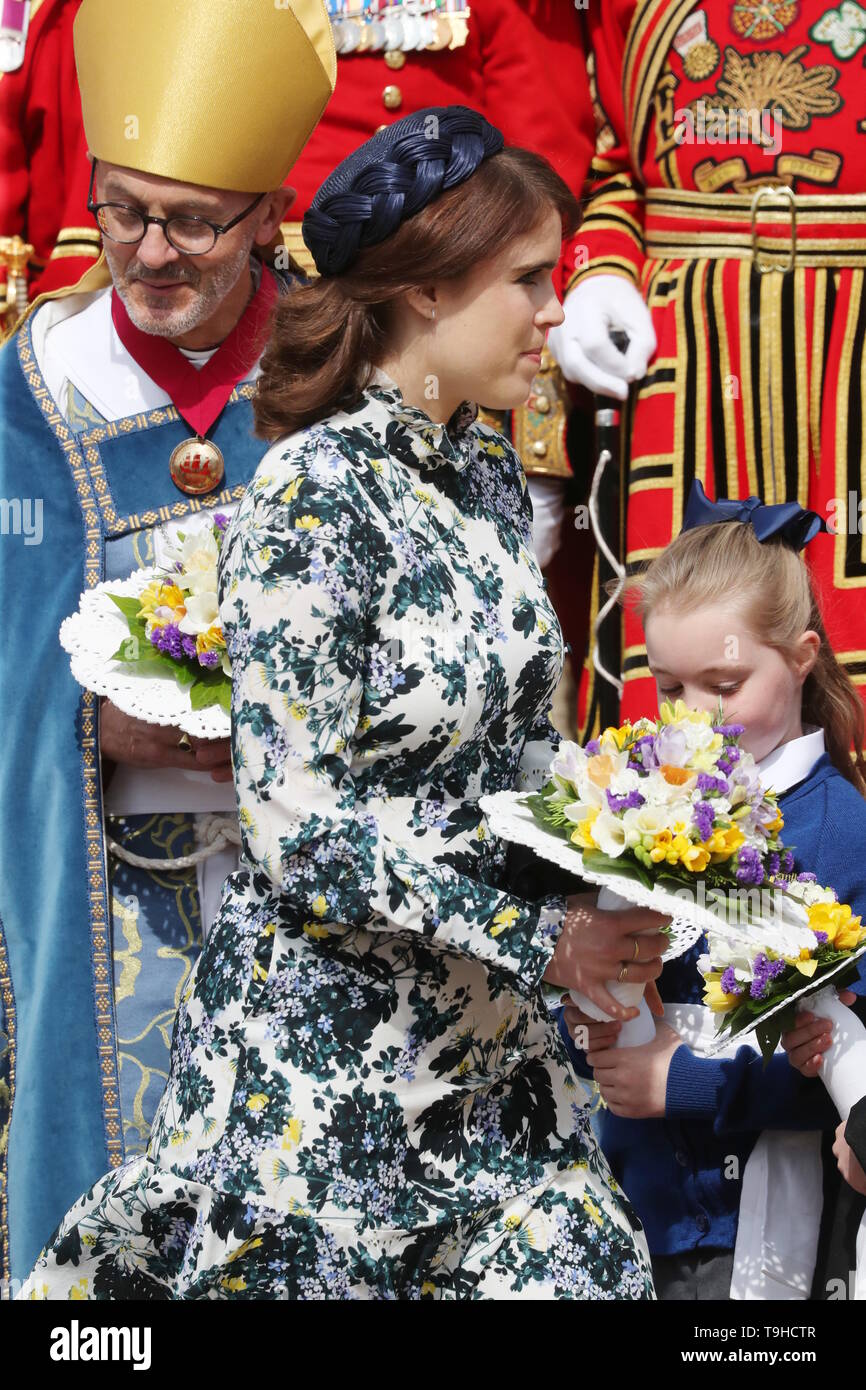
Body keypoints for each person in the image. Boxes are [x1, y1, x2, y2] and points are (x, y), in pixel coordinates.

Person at [18, 106, 655, 1302]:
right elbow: (299, 832)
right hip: (328, 1093)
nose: (552, 311)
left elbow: (513, 772)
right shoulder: (315, 494)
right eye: (527, 278)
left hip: (489, 1071)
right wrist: (544, 940)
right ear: (426, 288)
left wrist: (640, 868)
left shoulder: (478, 471)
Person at [0, 0, 336, 1290]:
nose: (147, 250)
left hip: (305, 899)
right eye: (124, 207)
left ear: (268, 210)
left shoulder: (338, 372)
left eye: (194, 219)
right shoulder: (33, 395)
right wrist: (81, 717)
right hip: (101, 896)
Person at [560, 481, 866, 1300]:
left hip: (762, 1230)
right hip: (633, 1203)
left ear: (802, 657)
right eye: (668, 687)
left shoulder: (834, 831)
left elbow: (848, 1069)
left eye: (724, 686)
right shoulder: (635, 793)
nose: (693, 714)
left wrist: (684, 1085)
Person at [549, 0, 866, 735]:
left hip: (854, 343)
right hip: (690, 348)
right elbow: (609, 161)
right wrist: (599, 267)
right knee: (685, 616)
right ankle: (665, 827)